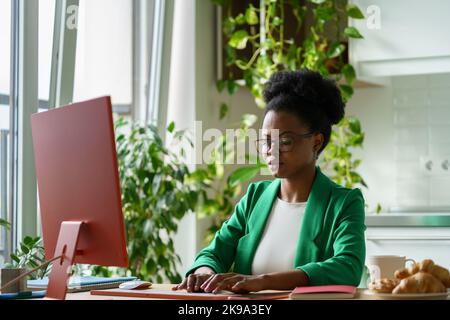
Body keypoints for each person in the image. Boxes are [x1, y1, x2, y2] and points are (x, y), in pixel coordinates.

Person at [173, 69, 366, 294]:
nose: (271, 152)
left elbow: (347, 267)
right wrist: (204, 272)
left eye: (284, 141)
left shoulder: (343, 203)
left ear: (316, 142)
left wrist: (263, 281)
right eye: (266, 141)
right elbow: (214, 252)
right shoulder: (256, 197)